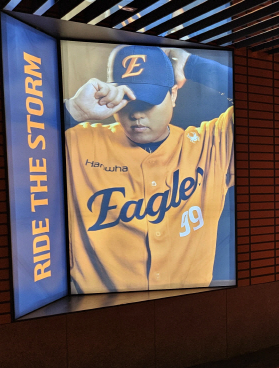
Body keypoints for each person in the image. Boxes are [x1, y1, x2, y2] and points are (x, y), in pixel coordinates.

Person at [63, 45, 234, 294]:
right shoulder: (76, 142)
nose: (138, 113)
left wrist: (192, 65)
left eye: (149, 100)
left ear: (173, 95)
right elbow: (9, 151)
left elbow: (271, 98)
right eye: (128, 100)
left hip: (190, 311)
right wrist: (73, 111)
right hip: (96, 314)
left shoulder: (211, 143)